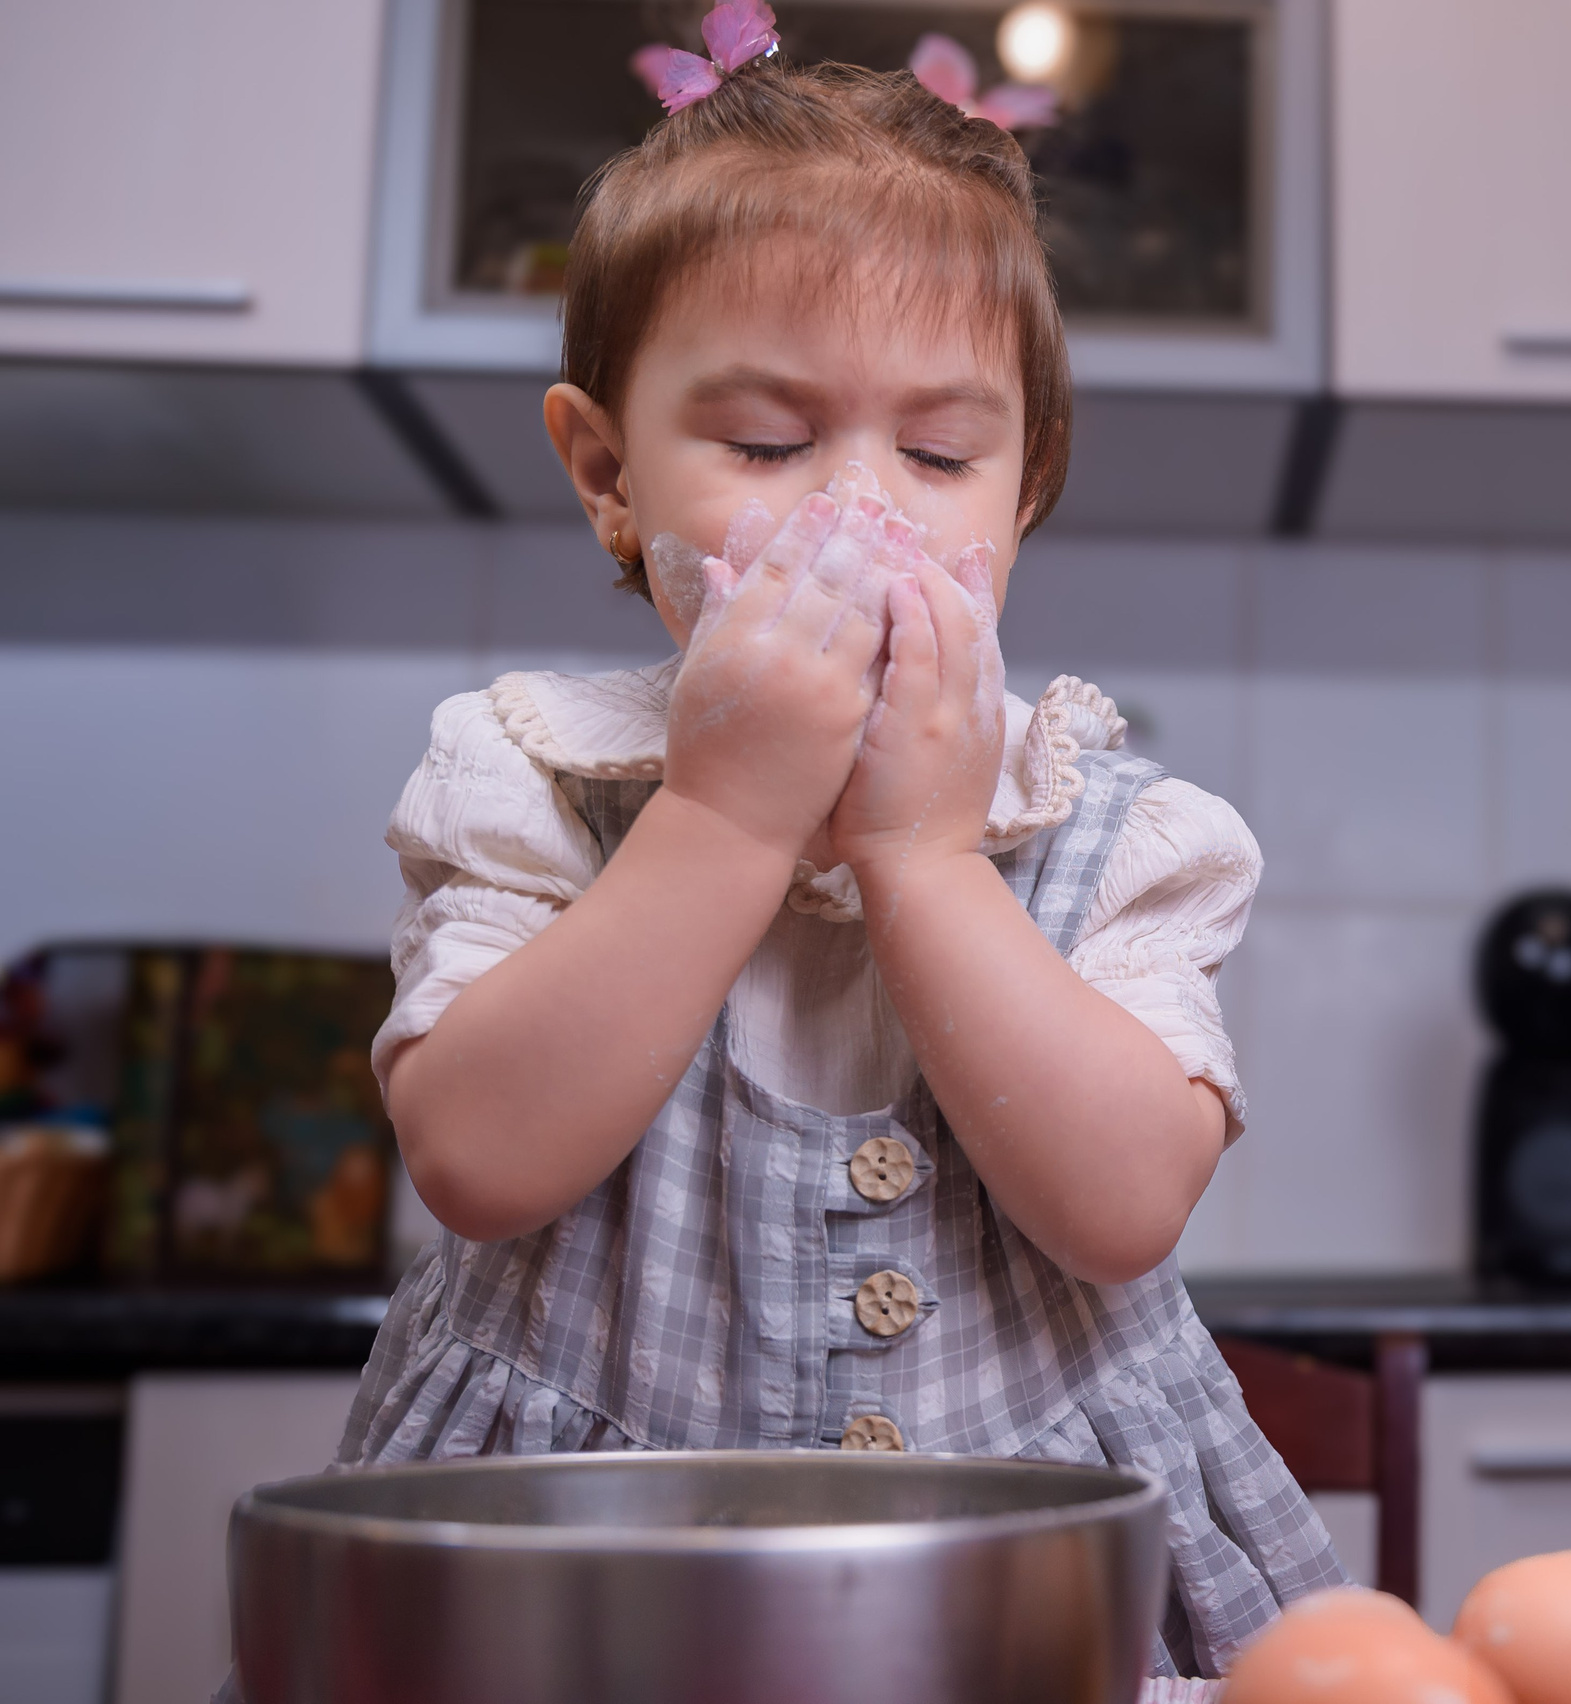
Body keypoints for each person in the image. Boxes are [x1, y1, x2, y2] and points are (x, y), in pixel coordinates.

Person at [341, 2, 1343, 1676]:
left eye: (943, 453)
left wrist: (932, 860)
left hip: (1017, 1599)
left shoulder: (1119, 828)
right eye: (765, 443)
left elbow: (1123, 1211)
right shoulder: (519, 776)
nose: (862, 514)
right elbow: (480, 1160)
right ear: (605, 472)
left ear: (1022, 493)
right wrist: (726, 813)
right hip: (587, 1607)